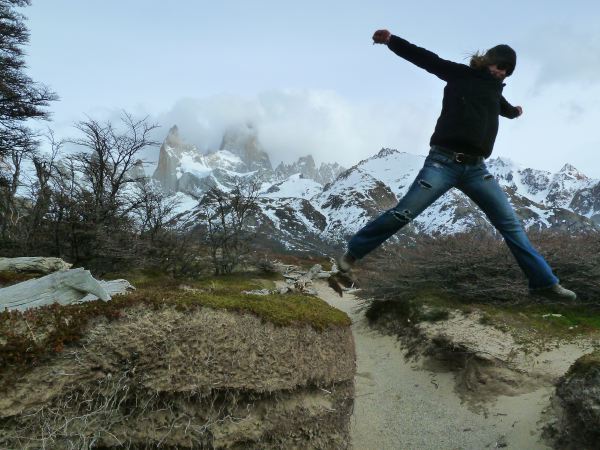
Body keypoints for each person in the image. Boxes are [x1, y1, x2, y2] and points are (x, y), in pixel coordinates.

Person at [337, 29, 576, 301]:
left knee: (511, 225)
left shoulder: (496, 93)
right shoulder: (459, 74)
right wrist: (392, 41)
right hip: (443, 163)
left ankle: (543, 283)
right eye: (500, 67)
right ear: (488, 60)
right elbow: (425, 58)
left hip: (477, 170)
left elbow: (504, 108)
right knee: (403, 212)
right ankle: (353, 252)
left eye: (508, 73)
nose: (502, 74)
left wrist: (515, 112)